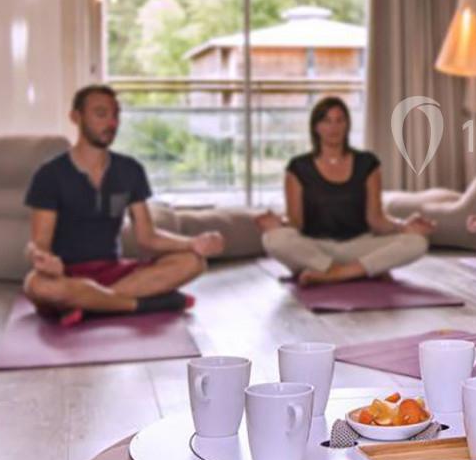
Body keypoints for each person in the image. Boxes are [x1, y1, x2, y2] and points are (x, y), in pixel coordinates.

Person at [22, 84, 224, 326]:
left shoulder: (130, 170)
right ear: (75, 117)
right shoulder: (49, 174)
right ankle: (140, 304)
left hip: (114, 273)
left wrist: (193, 243)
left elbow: (147, 238)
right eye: (101, 114)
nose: (112, 123)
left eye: (116, 115)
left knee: (192, 262)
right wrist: (43, 260)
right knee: (38, 286)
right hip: (67, 275)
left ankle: (90, 305)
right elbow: (39, 244)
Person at [258, 96, 434, 285]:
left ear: (347, 125)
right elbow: (296, 222)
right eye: (326, 120)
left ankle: (338, 273)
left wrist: (405, 226)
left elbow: (376, 220)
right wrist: (278, 224)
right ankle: (358, 269)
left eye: (340, 120)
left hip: (359, 245)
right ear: (316, 127)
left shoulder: (367, 163)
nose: (334, 127)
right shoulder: (298, 167)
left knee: (417, 242)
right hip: (315, 247)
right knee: (273, 239)